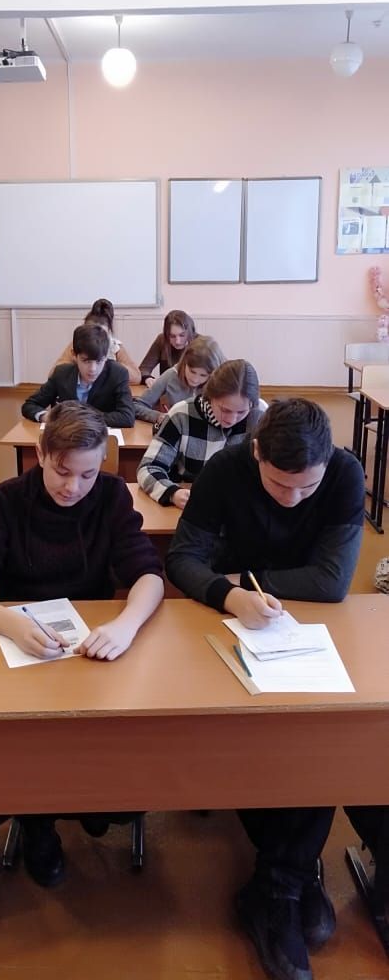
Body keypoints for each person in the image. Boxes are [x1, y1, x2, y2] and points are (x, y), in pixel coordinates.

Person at [166, 398, 369, 980]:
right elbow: (182, 558)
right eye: (280, 484)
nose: (294, 498)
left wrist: (238, 578)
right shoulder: (225, 469)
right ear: (256, 450)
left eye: (308, 487)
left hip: (312, 630)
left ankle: (279, 884)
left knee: (324, 734)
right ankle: (292, 877)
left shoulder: (345, 472)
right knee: (261, 739)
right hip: (230, 624)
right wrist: (229, 596)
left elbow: (332, 583)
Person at [0, 401, 164, 888]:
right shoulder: (8, 499)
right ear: (41, 454)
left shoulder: (111, 495)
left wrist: (126, 625)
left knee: (114, 743)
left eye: (87, 474)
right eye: (62, 472)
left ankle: (90, 800)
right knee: (32, 740)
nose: (73, 487)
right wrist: (10, 624)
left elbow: (148, 573)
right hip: (26, 650)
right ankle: (39, 823)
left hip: (91, 647)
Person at [137, 359, 264, 509]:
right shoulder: (182, 414)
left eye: (241, 412)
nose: (232, 419)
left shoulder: (261, 416)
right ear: (210, 396)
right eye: (225, 410)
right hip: (194, 503)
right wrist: (172, 493)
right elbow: (148, 468)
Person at [22, 323, 135, 427]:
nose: (93, 369)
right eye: (86, 361)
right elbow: (30, 405)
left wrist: (80, 418)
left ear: (106, 357)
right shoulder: (61, 373)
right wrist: (44, 416)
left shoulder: (118, 373)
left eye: (99, 361)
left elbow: (127, 417)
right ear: (74, 355)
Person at [133, 335, 226, 424]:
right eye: (192, 371)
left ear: (213, 373)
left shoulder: (221, 381)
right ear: (184, 363)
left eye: (203, 375)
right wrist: (158, 416)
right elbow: (136, 405)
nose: (195, 379)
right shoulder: (171, 375)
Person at [51, 298, 141, 384]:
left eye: (102, 335)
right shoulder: (77, 346)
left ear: (109, 333)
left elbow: (136, 377)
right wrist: (80, 363)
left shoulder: (114, 347)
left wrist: (106, 363)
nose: (96, 339)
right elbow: (53, 374)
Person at [139, 309, 197, 388]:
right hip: (168, 391)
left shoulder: (200, 343)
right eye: (172, 336)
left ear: (190, 332)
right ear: (166, 335)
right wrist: (148, 379)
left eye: (182, 335)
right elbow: (143, 369)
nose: (177, 341)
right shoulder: (161, 340)